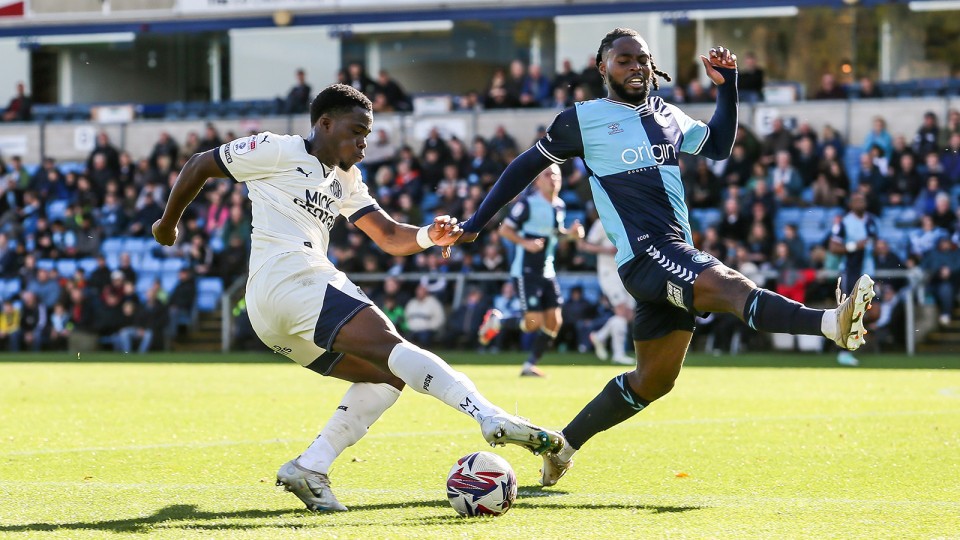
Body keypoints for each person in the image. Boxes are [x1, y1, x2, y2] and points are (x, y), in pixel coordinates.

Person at [456, 28, 876, 488]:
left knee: (653, 381)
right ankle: (829, 324)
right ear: (602, 67)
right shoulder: (582, 119)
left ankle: (564, 447)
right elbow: (523, 166)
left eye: (643, 59)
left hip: (673, 252)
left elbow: (717, 146)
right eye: (624, 60)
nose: (636, 66)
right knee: (732, 287)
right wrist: (476, 223)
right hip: (647, 252)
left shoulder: (666, 114)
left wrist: (728, 87)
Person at [152, 84, 563, 512]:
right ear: (324, 124)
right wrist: (167, 224)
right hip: (290, 276)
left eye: (367, 134)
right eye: (357, 132)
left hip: (273, 313)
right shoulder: (277, 149)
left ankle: (310, 467)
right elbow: (200, 163)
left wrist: (428, 235)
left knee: (385, 375)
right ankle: (488, 415)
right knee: (393, 346)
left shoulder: (346, 179)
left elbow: (387, 235)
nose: (364, 144)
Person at [476, 164, 584, 377]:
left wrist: (570, 235)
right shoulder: (527, 203)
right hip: (526, 272)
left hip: (547, 270)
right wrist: (525, 243)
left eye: (556, 175)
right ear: (538, 180)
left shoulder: (559, 206)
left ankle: (529, 365)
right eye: (547, 174)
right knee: (533, 323)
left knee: (554, 321)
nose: (553, 178)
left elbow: (554, 233)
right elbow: (505, 229)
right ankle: (497, 322)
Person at [828, 192, 878, 367]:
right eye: (857, 200)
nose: (861, 203)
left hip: (869, 272)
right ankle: (843, 351)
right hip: (851, 273)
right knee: (849, 310)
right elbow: (833, 246)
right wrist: (854, 246)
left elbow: (874, 243)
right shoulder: (844, 223)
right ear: (850, 204)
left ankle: (854, 343)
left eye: (863, 200)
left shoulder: (871, 220)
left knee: (871, 311)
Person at [579, 218, 634, 365]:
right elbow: (585, 245)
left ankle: (600, 336)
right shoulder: (602, 221)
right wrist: (607, 250)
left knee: (629, 315)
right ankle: (618, 354)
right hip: (609, 274)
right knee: (621, 311)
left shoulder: (630, 216)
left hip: (627, 273)